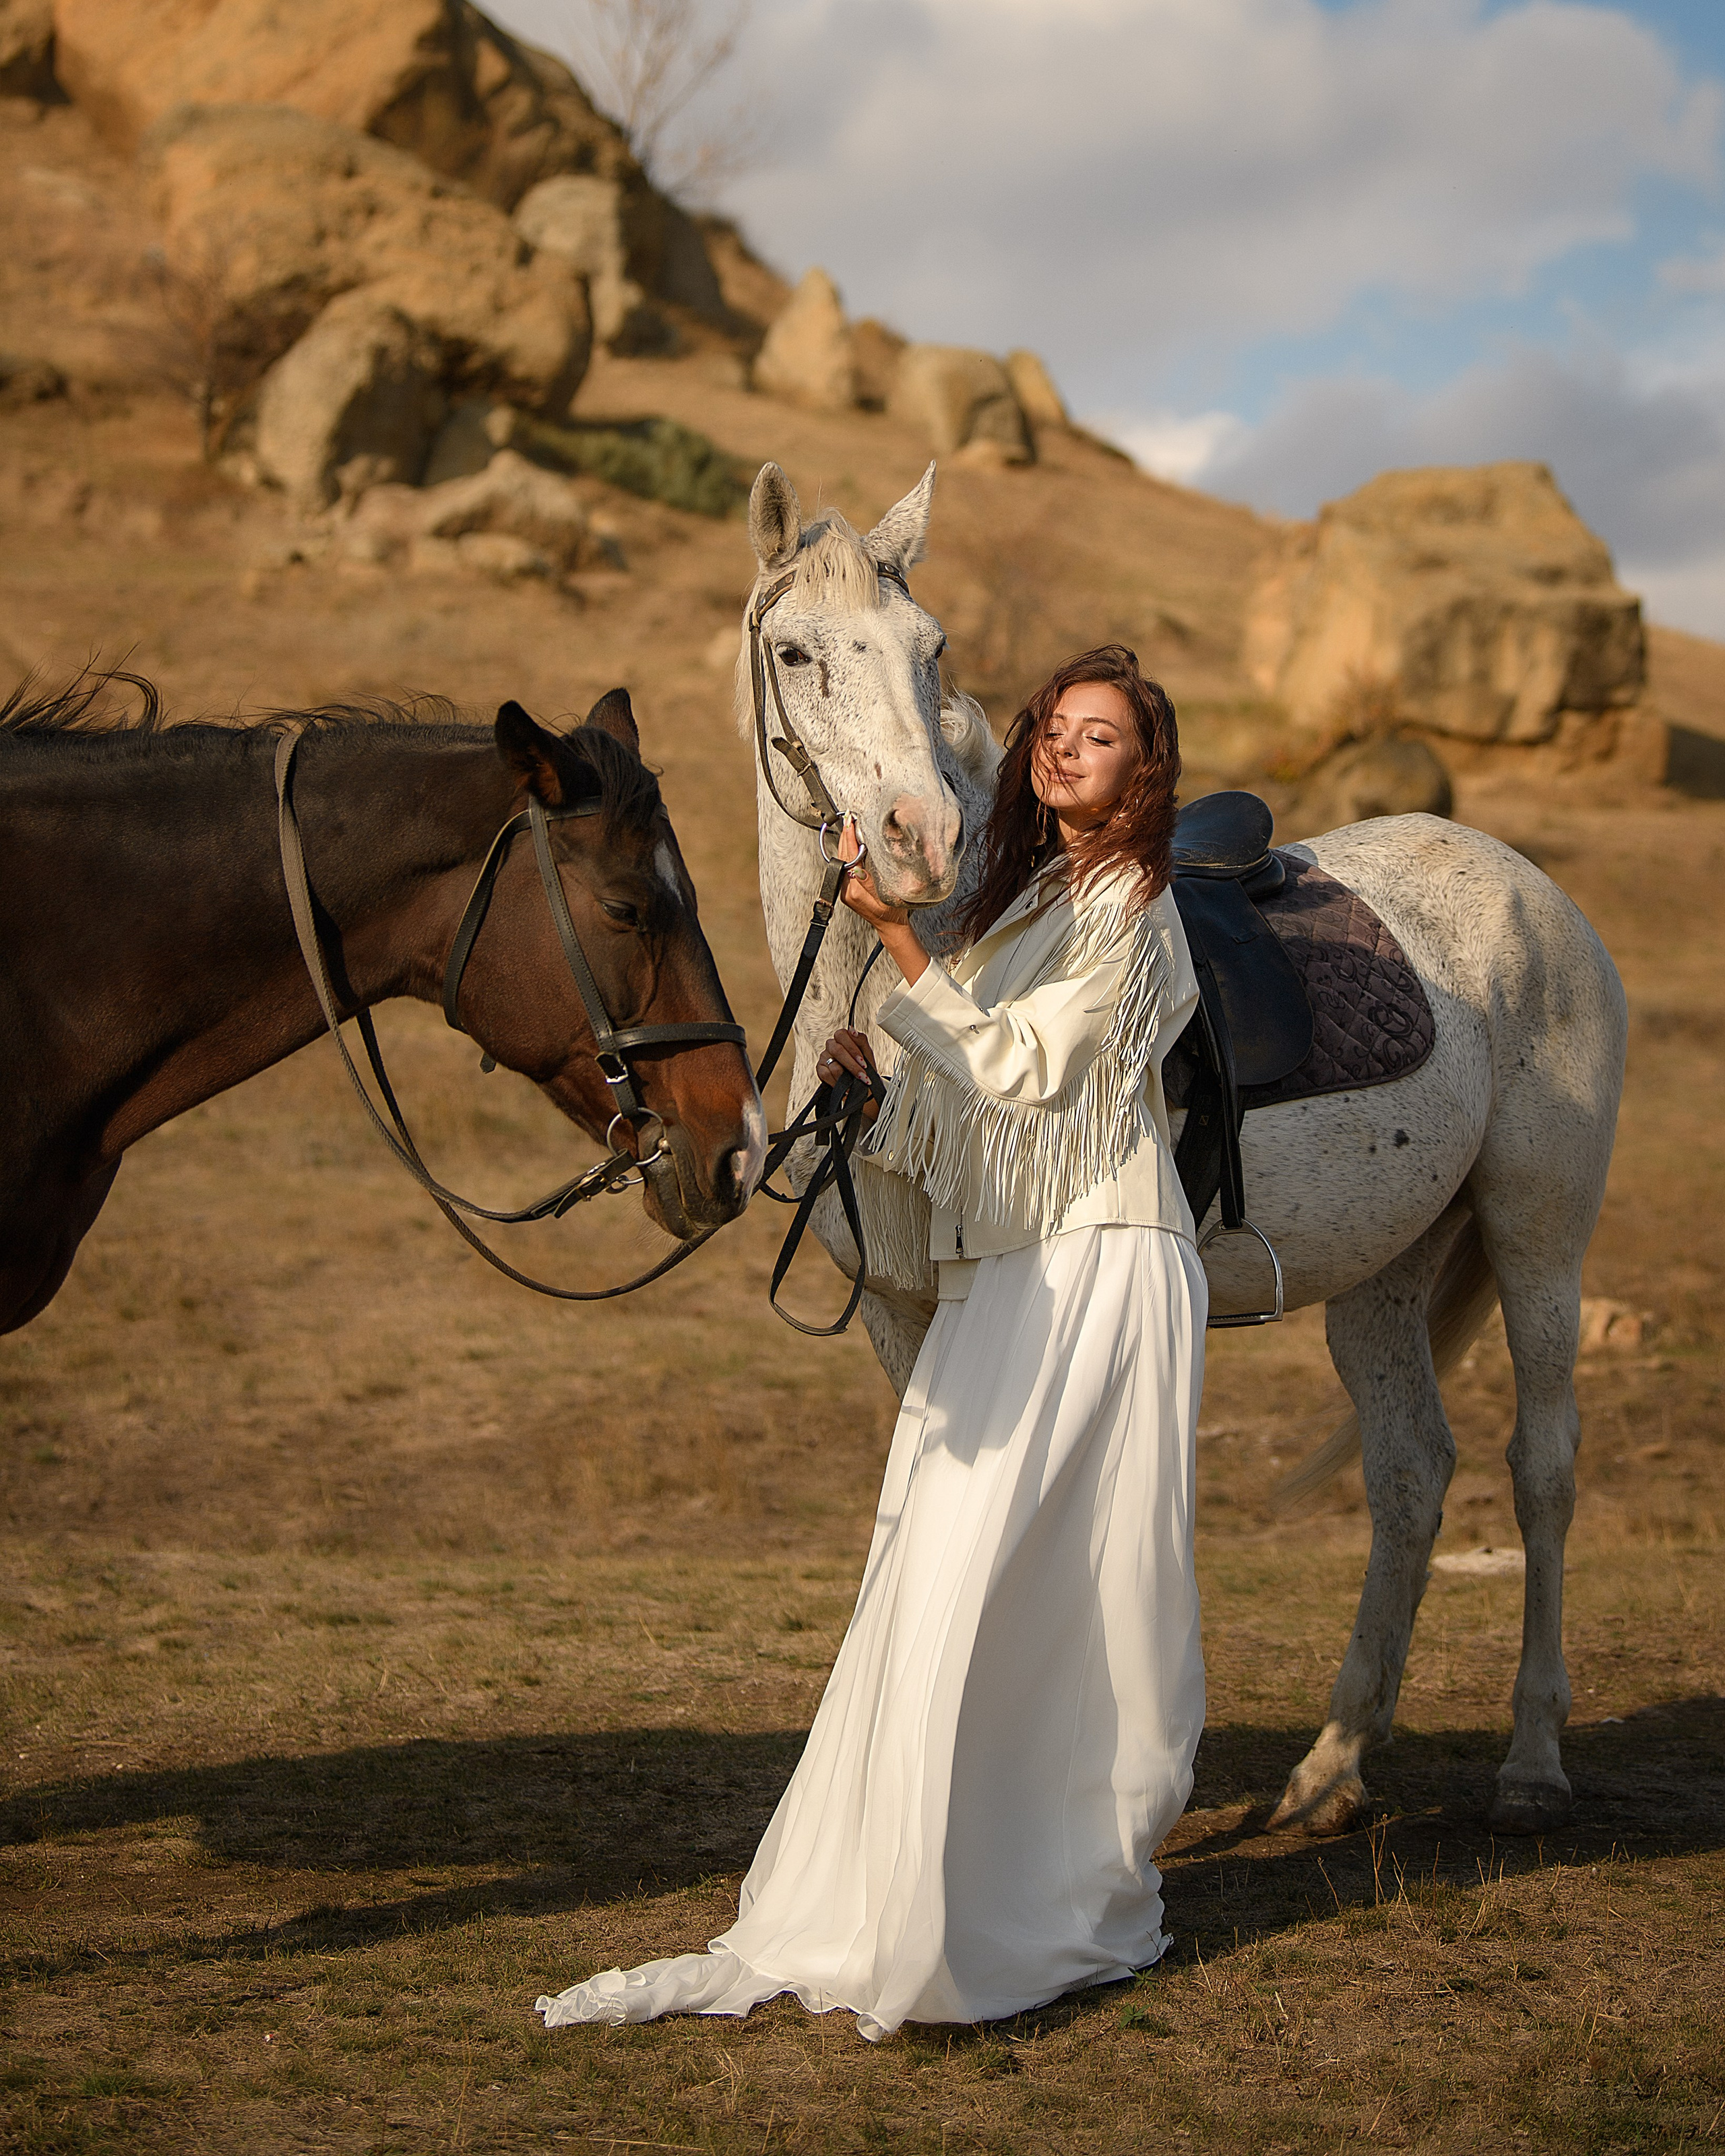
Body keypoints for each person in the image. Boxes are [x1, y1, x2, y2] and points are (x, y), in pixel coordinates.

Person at [536, 643, 1205, 2043]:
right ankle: (927, 1876)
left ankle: (1062, 1885)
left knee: (1072, 1585)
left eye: (1103, 737)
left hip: (1097, 1263)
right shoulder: (1029, 904)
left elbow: (1036, 1072)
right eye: (1054, 730)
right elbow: (974, 1119)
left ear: (1145, 773)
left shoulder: (1135, 903)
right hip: (1010, 1270)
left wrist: (901, 950)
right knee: (935, 1570)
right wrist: (875, 1081)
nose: (1068, 749)